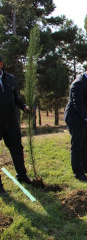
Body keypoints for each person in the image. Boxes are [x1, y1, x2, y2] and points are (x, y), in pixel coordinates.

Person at [0, 55, 32, 196]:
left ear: (1, 64)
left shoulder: (10, 79)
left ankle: (22, 176)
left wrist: (23, 106)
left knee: (17, 149)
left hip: (11, 121)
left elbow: (16, 98)